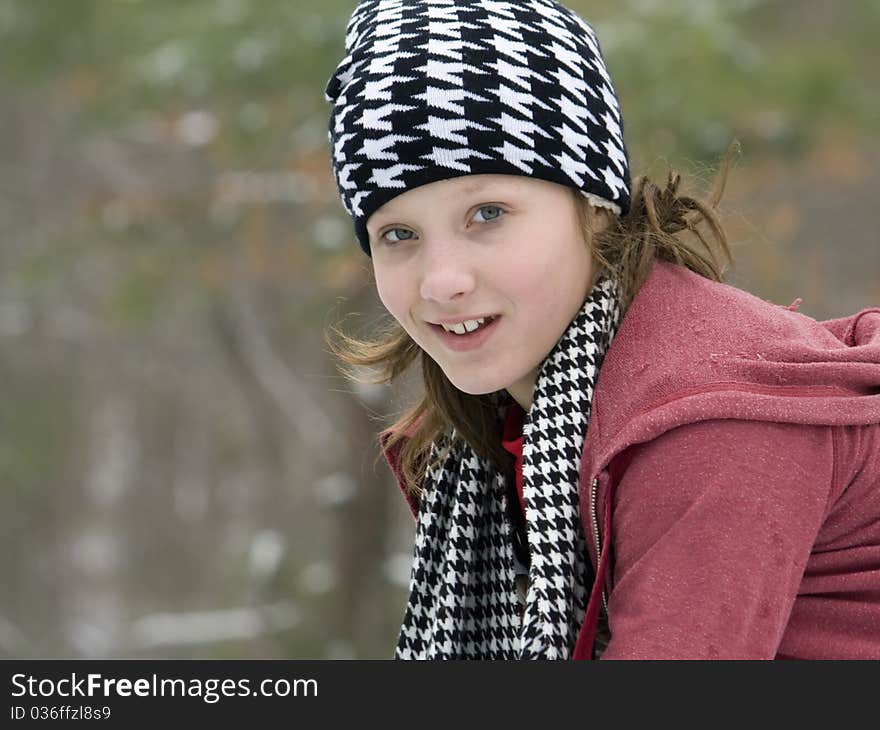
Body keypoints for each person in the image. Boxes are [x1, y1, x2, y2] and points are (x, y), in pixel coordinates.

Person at [323, 0, 880, 659]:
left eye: (487, 214)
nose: (441, 281)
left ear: (593, 207)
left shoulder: (706, 423)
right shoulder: (490, 443)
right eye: (398, 234)